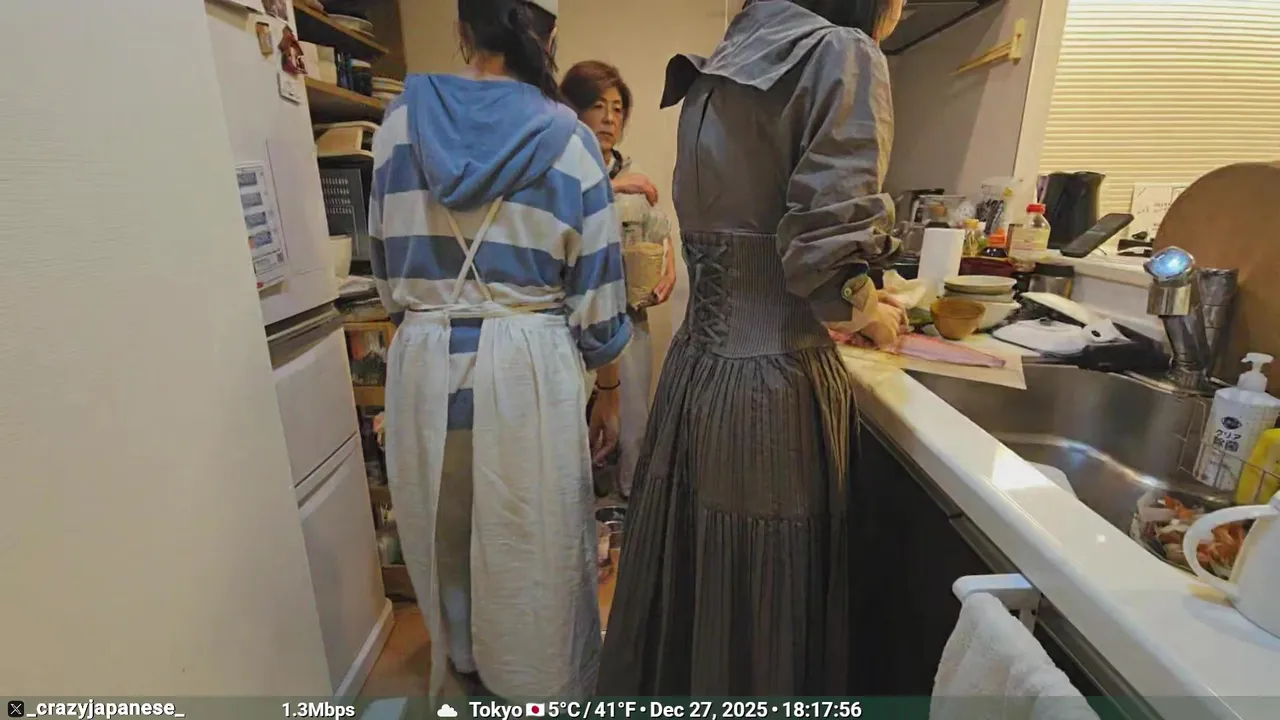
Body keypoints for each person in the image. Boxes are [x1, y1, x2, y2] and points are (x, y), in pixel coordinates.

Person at [597, 0, 908, 696]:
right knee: (760, 613)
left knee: (703, 596)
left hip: (695, 379)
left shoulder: (717, 70)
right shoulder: (841, 52)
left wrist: (854, 297)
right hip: (770, 392)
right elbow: (824, 269)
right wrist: (869, 311)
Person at [368, 0, 632, 699]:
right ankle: (537, 693)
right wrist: (608, 390)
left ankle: (464, 686)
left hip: (425, 373)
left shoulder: (397, 125)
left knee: (445, 551)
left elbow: (386, 275)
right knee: (533, 559)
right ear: (549, 35)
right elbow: (600, 300)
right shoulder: (571, 140)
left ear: (463, 29)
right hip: (526, 376)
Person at [561, 61, 677, 499]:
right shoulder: (559, 168)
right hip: (570, 323)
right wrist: (613, 189)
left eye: (616, 108)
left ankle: (630, 506)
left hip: (628, 318)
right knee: (573, 427)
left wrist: (669, 264)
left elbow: (658, 230)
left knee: (633, 425)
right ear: (573, 110)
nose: (609, 118)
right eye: (597, 106)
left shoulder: (634, 170)